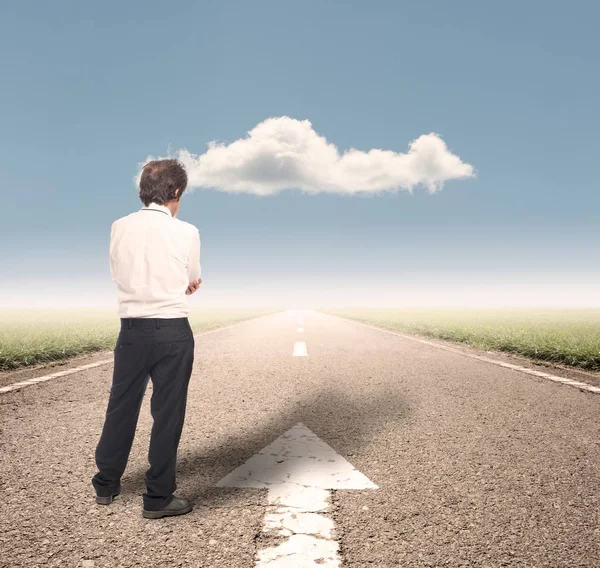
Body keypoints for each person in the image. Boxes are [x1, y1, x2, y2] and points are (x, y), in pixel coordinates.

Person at [92, 158, 202, 519]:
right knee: (167, 414)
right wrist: (185, 283)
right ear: (174, 192)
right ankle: (157, 498)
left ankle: (106, 485)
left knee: (120, 406)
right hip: (172, 329)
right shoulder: (186, 231)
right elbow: (191, 277)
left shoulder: (118, 226)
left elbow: (117, 271)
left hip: (131, 330)